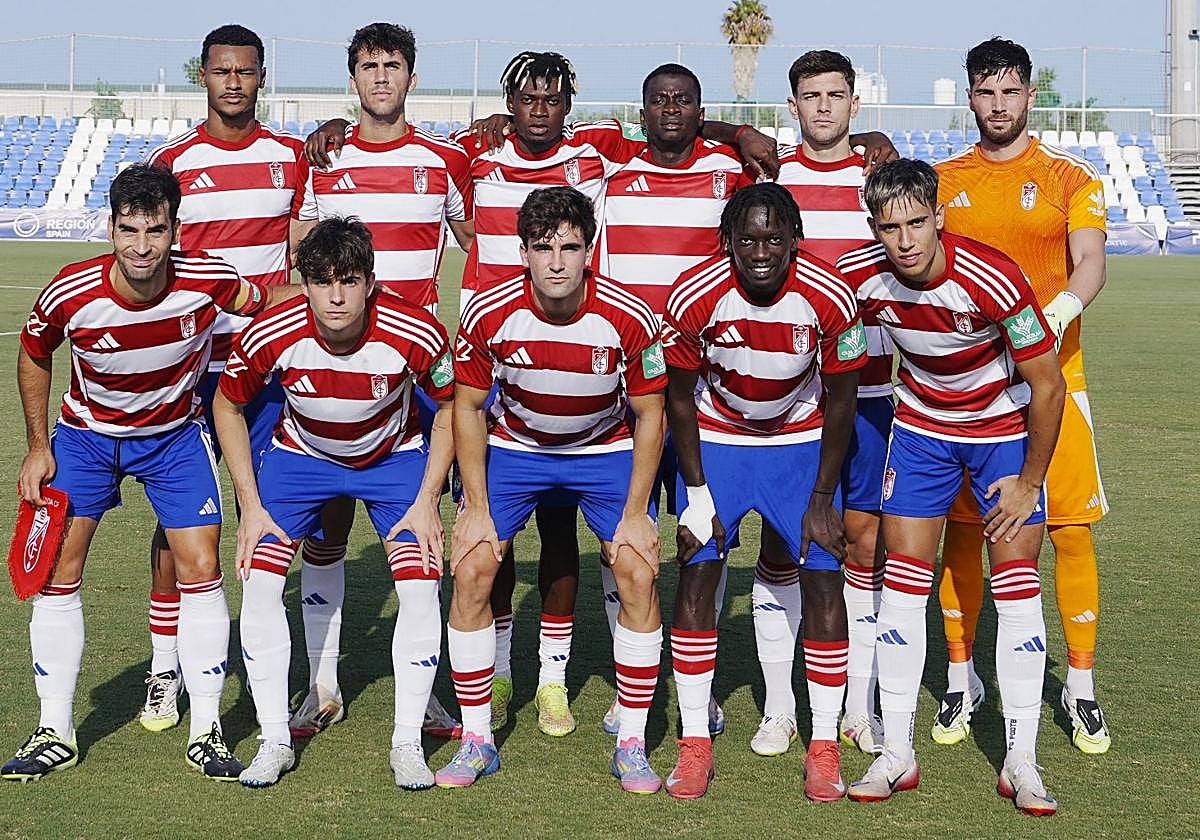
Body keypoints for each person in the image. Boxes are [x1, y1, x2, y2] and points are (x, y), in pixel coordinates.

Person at [4, 164, 289, 781]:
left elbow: (266, 301)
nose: (140, 246)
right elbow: (33, 353)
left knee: (203, 568)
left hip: (172, 440)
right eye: (128, 230)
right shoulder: (70, 292)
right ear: (109, 228)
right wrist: (36, 445)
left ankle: (207, 731)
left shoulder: (208, 279)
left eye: (154, 230)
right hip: (86, 440)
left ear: (173, 229)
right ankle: (54, 729)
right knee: (59, 571)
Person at [840, 159, 1066, 816]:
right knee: (904, 584)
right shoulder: (861, 279)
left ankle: (1021, 760)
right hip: (919, 434)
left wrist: (1029, 482)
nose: (905, 240)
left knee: (1018, 586)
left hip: (999, 431)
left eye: (917, 222)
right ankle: (898, 752)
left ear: (939, 216)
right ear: (874, 228)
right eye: (890, 227)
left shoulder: (992, 276)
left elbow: (1047, 386)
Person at [212, 217, 455, 790]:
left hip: (392, 462)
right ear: (306, 284)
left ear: (371, 282)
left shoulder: (414, 330)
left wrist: (426, 500)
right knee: (261, 580)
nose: (337, 296)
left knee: (421, 584)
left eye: (349, 280)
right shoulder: (270, 331)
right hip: (301, 461)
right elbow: (227, 407)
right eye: (322, 282)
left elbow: (450, 408)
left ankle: (407, 743)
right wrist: (250, 503)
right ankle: (274, 740)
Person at [437, 186, 667, 793]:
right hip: (517, 449)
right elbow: (467, 408)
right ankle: (477, 738)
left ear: (590, 252)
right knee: (472, 568)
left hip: (602, 450)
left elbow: (649, 415)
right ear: (523, 253)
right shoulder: (487, 313)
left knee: (638, 571)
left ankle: (633, 742)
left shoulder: (629, 316)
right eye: (544, 248)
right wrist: (476, 507)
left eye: (570, 247)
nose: (558, 261)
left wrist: (639, 512)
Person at [286, 20, 469, 740]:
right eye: (369, 65)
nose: (382, 77)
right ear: (353, 77)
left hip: (417, 376)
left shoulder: (445, 161)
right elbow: (298, 255)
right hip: (334, 366)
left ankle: (423, 691)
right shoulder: (322, 161)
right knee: (326, 531)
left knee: (417, 535)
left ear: (412, 77)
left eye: (394, 65)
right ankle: (322, 687)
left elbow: (479, 248)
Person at [933, 37, 1110, 754]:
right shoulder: (943, 180)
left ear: (1030, 95)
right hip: (968, 386)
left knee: (1069, 530)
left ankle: (1082, 686)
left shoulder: (1070, 175)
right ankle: (959, 676)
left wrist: (1049, 321)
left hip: (1053, 381)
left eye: (1010, 91)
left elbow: (1091, 261)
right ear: (971, 96)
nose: (998, 104)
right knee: (968, 530)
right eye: (985, 91)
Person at [662, 182, 866, 801]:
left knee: (824, 573)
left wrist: (823, 496)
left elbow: (842, 401)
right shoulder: (692, 295)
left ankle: (824, 743)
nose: (760, 250)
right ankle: (695, 741)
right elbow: (677, 397)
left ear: (795, 241)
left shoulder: (831, 299)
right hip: (719, 440)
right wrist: (696, 491)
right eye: (746, 238)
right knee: (698, 571)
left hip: (799, 442)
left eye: (773, 238)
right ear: (727, 241)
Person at [142, 23, 305, 734]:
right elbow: (151, 267)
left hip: (267, 370)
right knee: (175, 525)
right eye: (220, 71)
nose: (233, 82)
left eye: (245, 71)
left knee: (273, 516)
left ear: (262, 76)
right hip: (190, 371)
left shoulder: (292, 158)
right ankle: (163, 667)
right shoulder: (171, 162)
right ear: (202, 76)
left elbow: (302, 257)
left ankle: (275, 660)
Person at [595, 61, 751, 737]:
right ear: (642, 109)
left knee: (698, 536)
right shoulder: (609, 172)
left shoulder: (730, 173)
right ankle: (632, 686)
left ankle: (699, 683)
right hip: (627, 391)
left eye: (683, 102)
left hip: (699, 393)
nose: (670, 111)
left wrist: (734, 129)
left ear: (699, 108)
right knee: (618, 539)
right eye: (657, 100)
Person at [753, 49, 895, 759]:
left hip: (870, 393)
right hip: (793, 403)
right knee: (785, 544)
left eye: (836, 94)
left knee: (863, 545)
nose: (824, 107)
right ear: (794, 105)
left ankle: (859, 705)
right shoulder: (774, 180)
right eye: (810, 95)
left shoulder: (879, 180)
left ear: (854, 103)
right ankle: (780, 707)